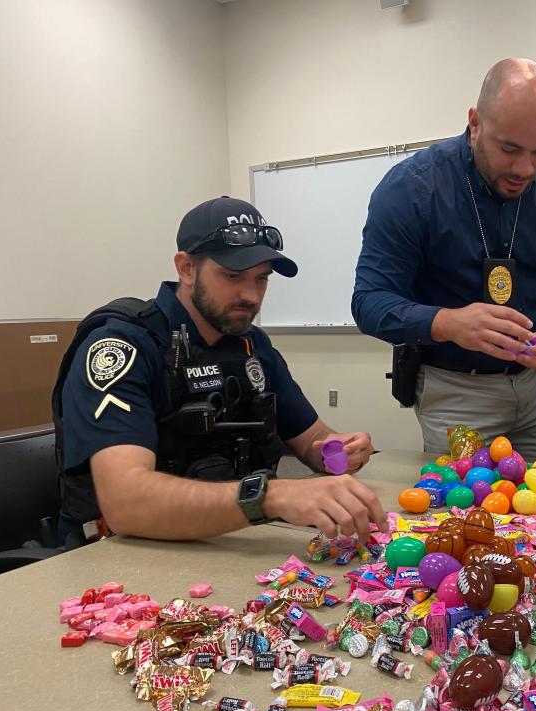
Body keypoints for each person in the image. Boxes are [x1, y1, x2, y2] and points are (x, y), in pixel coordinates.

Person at [55, 196, 386, 545]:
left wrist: (339, 450)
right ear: (186, 268)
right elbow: (126, 504)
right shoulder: (124, 346)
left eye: (262, 279)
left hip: (235, 542)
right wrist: (271, 497)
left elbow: (312, 439)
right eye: (232, 275)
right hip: (121, 561)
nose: (251, 295)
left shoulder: (252, 345)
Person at [352, 58, 536, 463]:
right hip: (457, 393)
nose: (524, 169)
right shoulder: (411, 189)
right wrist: (449, 323)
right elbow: (369, 301)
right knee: (465, 514)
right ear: (475, 123)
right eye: (509, 149)